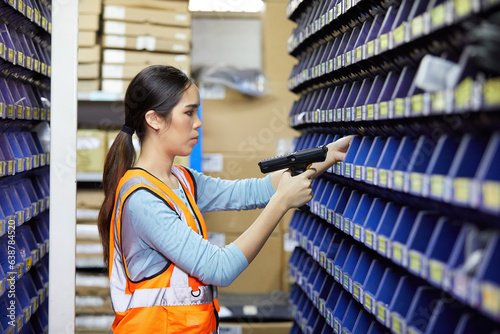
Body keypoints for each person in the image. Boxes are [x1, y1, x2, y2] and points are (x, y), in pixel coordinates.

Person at [97, 65, 352, 334]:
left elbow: (253, 192)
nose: (198, 122)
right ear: (155, 119)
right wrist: (281, 204)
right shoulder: (142, 201)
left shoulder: (181, 179)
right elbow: (219, 268)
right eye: (188, 112)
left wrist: (328, 155)